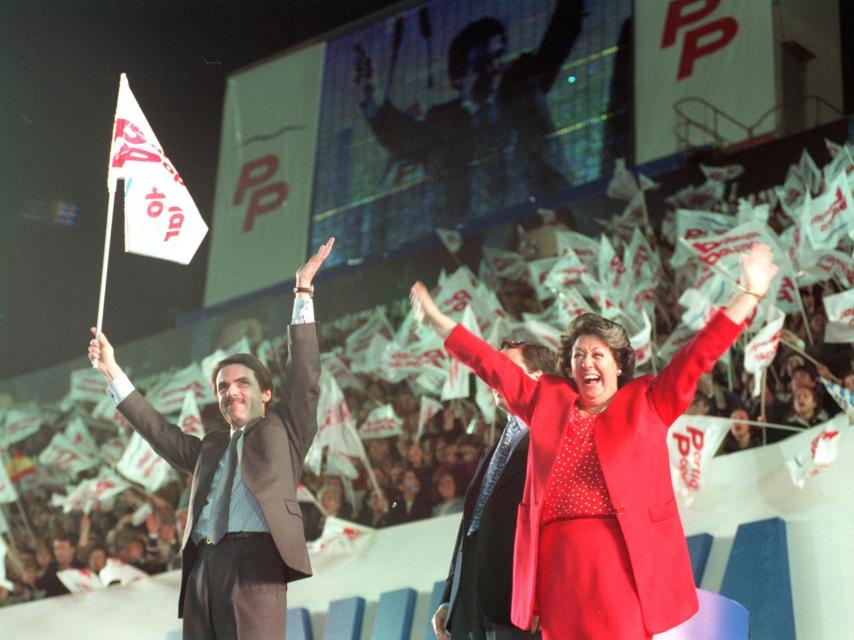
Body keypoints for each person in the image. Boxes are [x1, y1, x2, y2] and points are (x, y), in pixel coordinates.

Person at [412, 243, 779, 639]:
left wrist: (749, 294)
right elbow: (489, 364)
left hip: (621, 569)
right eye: (578, 356)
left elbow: (699, 355)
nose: (586, 363)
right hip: (557, 574)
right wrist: (435, 320)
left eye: (597, 354)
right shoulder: (548, 401)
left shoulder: (648, 401)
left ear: (618, 363)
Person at [87, 238, 334, 640]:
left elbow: (304, 377)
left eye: (242, 383)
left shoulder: (286, 428)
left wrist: (303, 290)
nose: (230, 392)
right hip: (202, 567)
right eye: (222, 387)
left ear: (266, 393)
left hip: (256, 566)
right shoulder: (211, 447)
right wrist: (111, 371)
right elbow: (157, 430)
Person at [355, 1, 584, 226]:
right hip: (476, 241)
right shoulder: (442, 123)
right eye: (483, 62)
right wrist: (371, 91)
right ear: (458, 78)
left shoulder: (523, 90)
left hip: (548, 220)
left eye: (499, 56)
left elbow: (560, 38)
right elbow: (400, 137)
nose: (495, 67)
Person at [432, 339, 556, 640]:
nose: (494, 378)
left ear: (538, 378)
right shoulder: (493, 451)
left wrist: (540, 595)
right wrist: (451, 595)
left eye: (507, 369)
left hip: (519, 608)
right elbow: (470, 529)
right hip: (471, 607)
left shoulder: (551, 442)